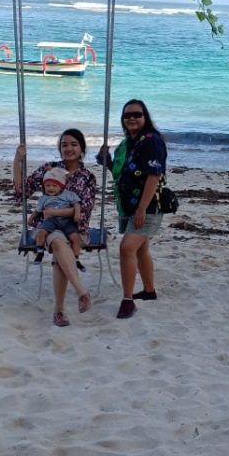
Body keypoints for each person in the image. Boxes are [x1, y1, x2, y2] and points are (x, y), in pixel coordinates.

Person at [13, 129, 97, 327]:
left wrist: (52, 212)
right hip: (49, 229)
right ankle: (81, 292)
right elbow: (22, 191)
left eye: (74, 144)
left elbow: (83, 211)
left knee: (61, 249)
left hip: (77, 229)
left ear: (82, 148)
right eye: (64, 144)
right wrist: (17, 161)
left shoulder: (87, 177)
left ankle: (59, 311)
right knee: (58, 241)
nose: (69, 148)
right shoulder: (49, 169)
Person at [97, 99, 167, 319]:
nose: (132, 119)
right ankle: (149, 291)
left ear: (145, 116)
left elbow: (154, 176)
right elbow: (122, 173)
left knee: (127, 248)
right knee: (140, 249)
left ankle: (127, 300)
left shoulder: (151, 141)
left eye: (136, 114)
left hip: (147, 206)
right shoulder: (129, 143)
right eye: (127, 115)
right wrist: (106, 161)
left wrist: (142, 209)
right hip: (128, 205)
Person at [30, 166, 84, 258]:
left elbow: (76, 203)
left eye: (54, 186)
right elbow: (38, 210)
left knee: (75, 238)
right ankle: (39, 251)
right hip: (51, 220)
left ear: (61, 187)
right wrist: (31, 218)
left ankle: (76, 258)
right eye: (47, 185)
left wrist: (77, 214)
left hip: (67, 221)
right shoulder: (44, 198)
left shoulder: (68, 194)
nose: (51, 188)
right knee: (41, 233)